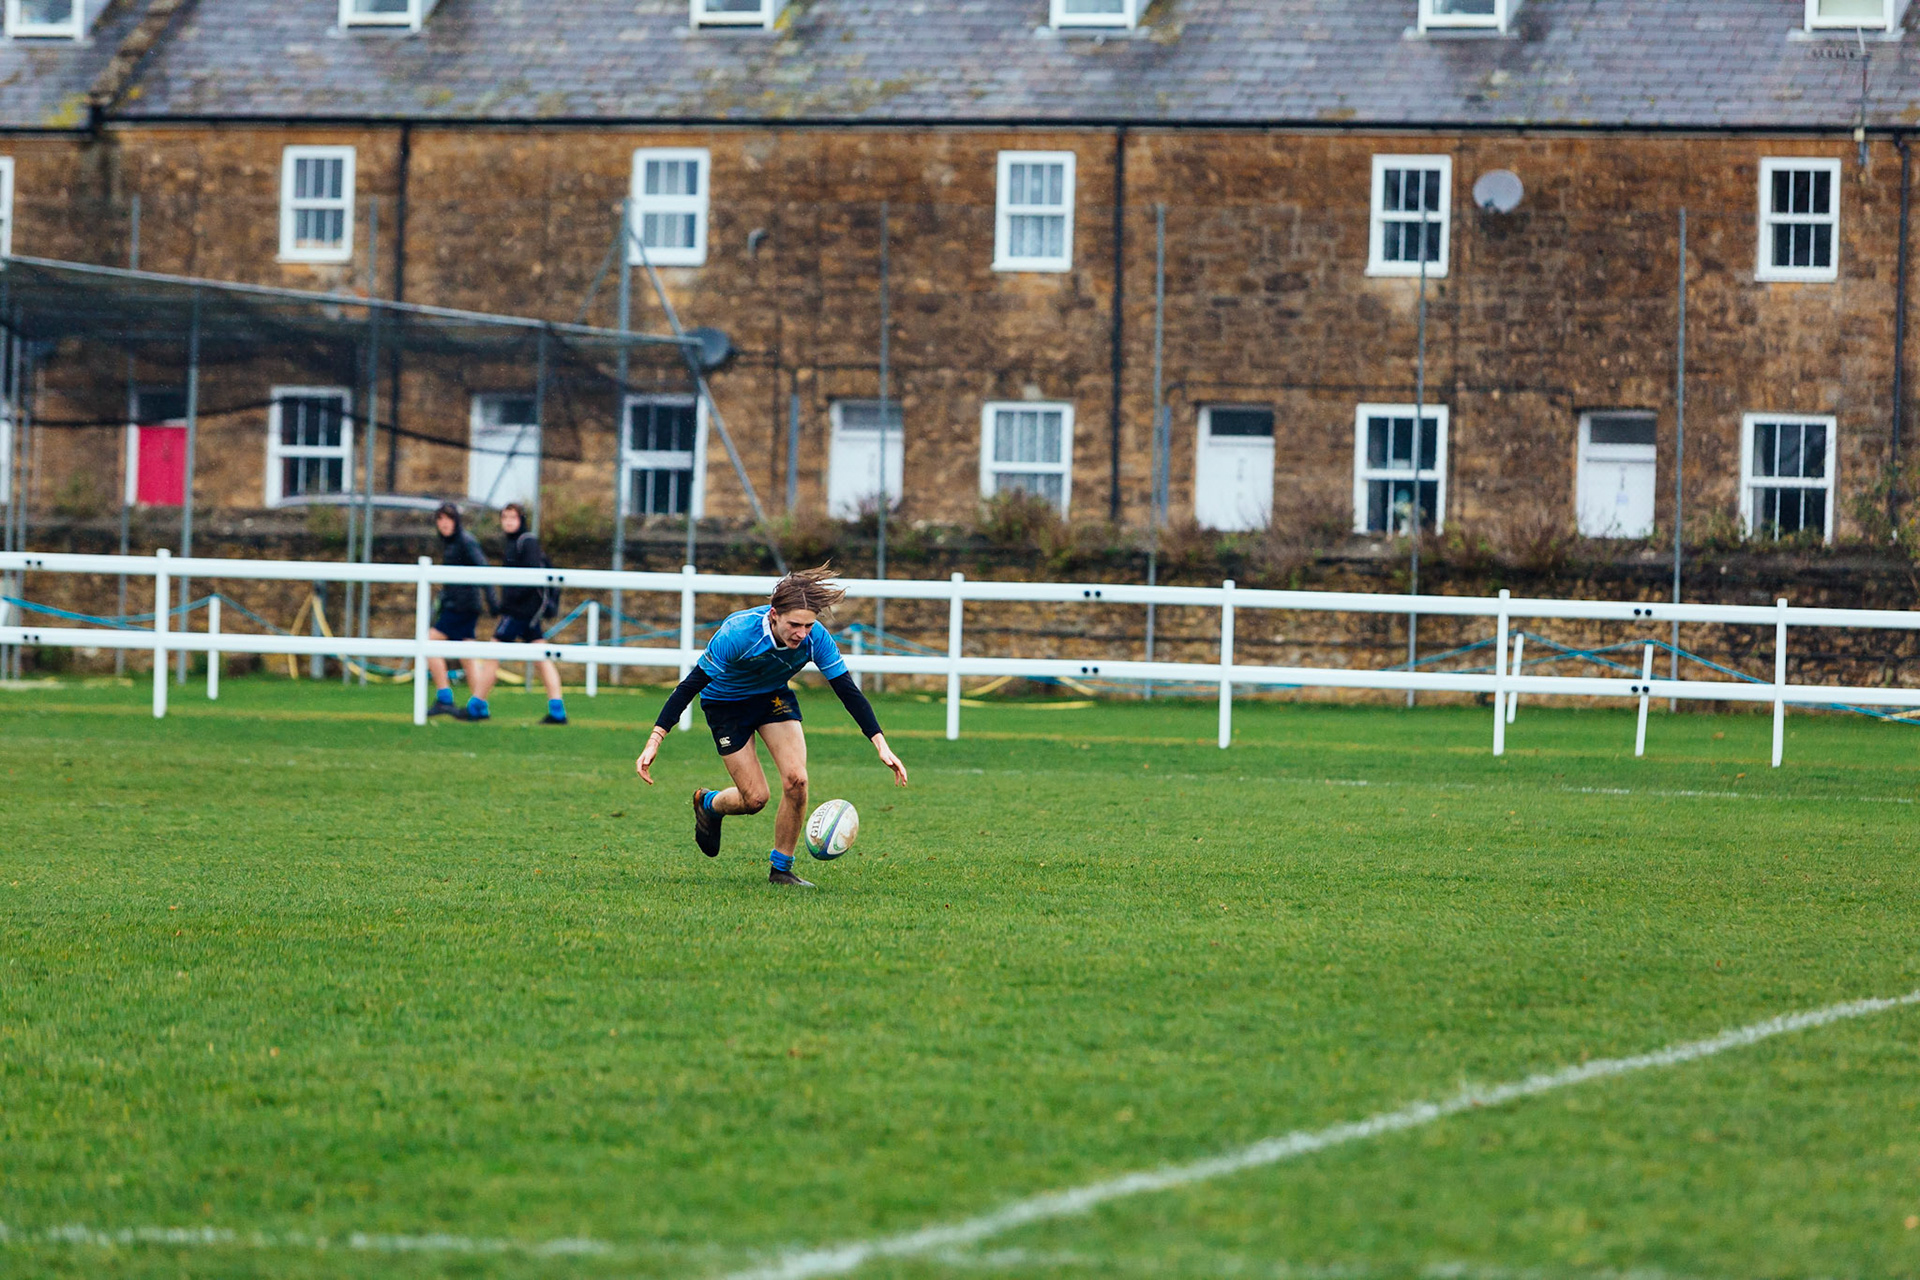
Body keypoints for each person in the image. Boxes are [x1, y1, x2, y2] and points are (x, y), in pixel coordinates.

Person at [635, 564, 908, 887]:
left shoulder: (815, 639)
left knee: (797, 781)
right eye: (794, 624)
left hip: (772, 697)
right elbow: (689, 687)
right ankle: (709, 804)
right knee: (755, 799)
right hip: (726, 705)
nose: (802, 633)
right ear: (774, 615)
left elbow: (847, 690)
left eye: (808, 625)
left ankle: (781, 869)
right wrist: (655, 739)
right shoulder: (738, 633)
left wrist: (880, 743)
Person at [461, 501, 568, 725]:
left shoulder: (527, 541)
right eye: (505, 517)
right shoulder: (513, 543)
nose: (508, 522)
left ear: (521, 520)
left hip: (520, 612)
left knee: (493, 652)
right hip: (524, 612)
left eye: (513, 517)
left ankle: (476, 705)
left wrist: (509, 605)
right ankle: (557, 709)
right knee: (541, 657)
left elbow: (531, 577)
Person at [426, 502, 498, 719]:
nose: (444, 523)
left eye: (448, 519)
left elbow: (483, 568)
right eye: (440, 519)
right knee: (468, 656)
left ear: (456, 521)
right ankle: (479, 706)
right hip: (459, 605)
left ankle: (445, 697)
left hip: (462, 606)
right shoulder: (451, 543)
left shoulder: (466, 541)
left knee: (429, 643)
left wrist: (492, 601)